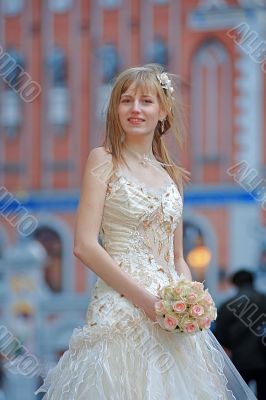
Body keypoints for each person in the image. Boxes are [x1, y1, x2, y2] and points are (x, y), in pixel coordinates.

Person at [35, 64, 257, 399]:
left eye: (146, 101)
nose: (135, 109)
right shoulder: (102, 160)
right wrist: (145, 301)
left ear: (163, 110)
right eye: (126, 100)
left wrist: (185, 296)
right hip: (121, 305)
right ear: (116, 109)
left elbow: (178, 256)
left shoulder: (173, 175)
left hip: (169, 312)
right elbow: (83, 245)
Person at [214, 269, 266, 400]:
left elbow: (220, 334)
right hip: (264, 359)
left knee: (240, 397)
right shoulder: (264, 300)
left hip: (240, 361)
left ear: (234, 284)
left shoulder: (227, 305)